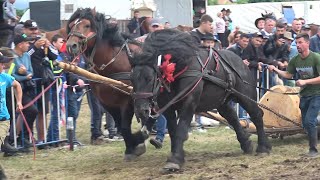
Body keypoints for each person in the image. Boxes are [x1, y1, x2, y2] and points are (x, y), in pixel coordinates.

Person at [268, 33, 320, 158]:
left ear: (307, 43)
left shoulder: (316, 58)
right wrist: (275, 70)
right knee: (305, 123)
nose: (298, 45)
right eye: (296, 43)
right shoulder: (295, 60)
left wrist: (305, 81)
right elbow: (288, 75)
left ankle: (313, 150)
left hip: (317, 94)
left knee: (309, 121)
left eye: (300, 42)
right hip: (304, 95)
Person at [22, 20, 58, 145]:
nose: (34, 32)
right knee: (30, 111)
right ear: (25, 30)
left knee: (43, 112)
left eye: (36, 29)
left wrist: (48, 46)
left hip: (43, 82)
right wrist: (35, 47)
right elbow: (23, 56)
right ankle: (27, 139)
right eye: (31, 29)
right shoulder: (21, 41)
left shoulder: (41, 40)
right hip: (28, 83)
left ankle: (42, 140)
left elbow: (55, 55)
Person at [9, 33, 38, 151]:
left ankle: (24, 138)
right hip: (12, 91)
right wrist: (24, 76)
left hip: (25, 89)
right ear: (20, 45)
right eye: (26, 43)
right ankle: (10, 142)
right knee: (12, 116)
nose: (28, 45)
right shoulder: (10, 56)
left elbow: (31, 71)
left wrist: (25, 74)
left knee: (32, 111)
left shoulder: (26, 55)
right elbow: (10, 75)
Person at [0, 47, 23, 156]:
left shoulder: (4, 77)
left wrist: (19, 102)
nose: (3, 66)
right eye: (1, 63)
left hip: (3, 119)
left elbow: (17, 85)